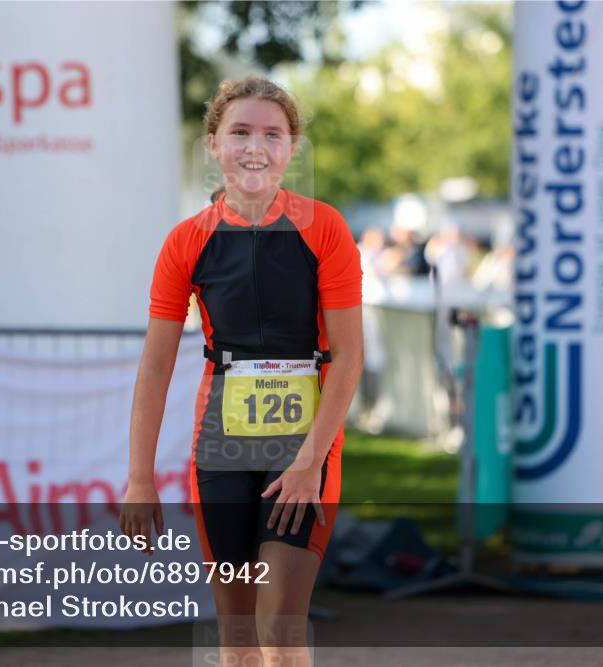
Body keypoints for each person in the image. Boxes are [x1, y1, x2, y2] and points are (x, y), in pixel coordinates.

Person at [120, 75, 363, 667]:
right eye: (240, 132)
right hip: (221, 450)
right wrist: (140, 477)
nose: (255, 146)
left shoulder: (323, 227)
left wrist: (309, 461)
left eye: (272, 134)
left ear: (292, 148)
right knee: (237, 639)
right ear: (213, 143)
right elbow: (154, 368)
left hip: (303, 448)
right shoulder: (185, 242)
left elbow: (350, 357)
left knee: (279, 623)